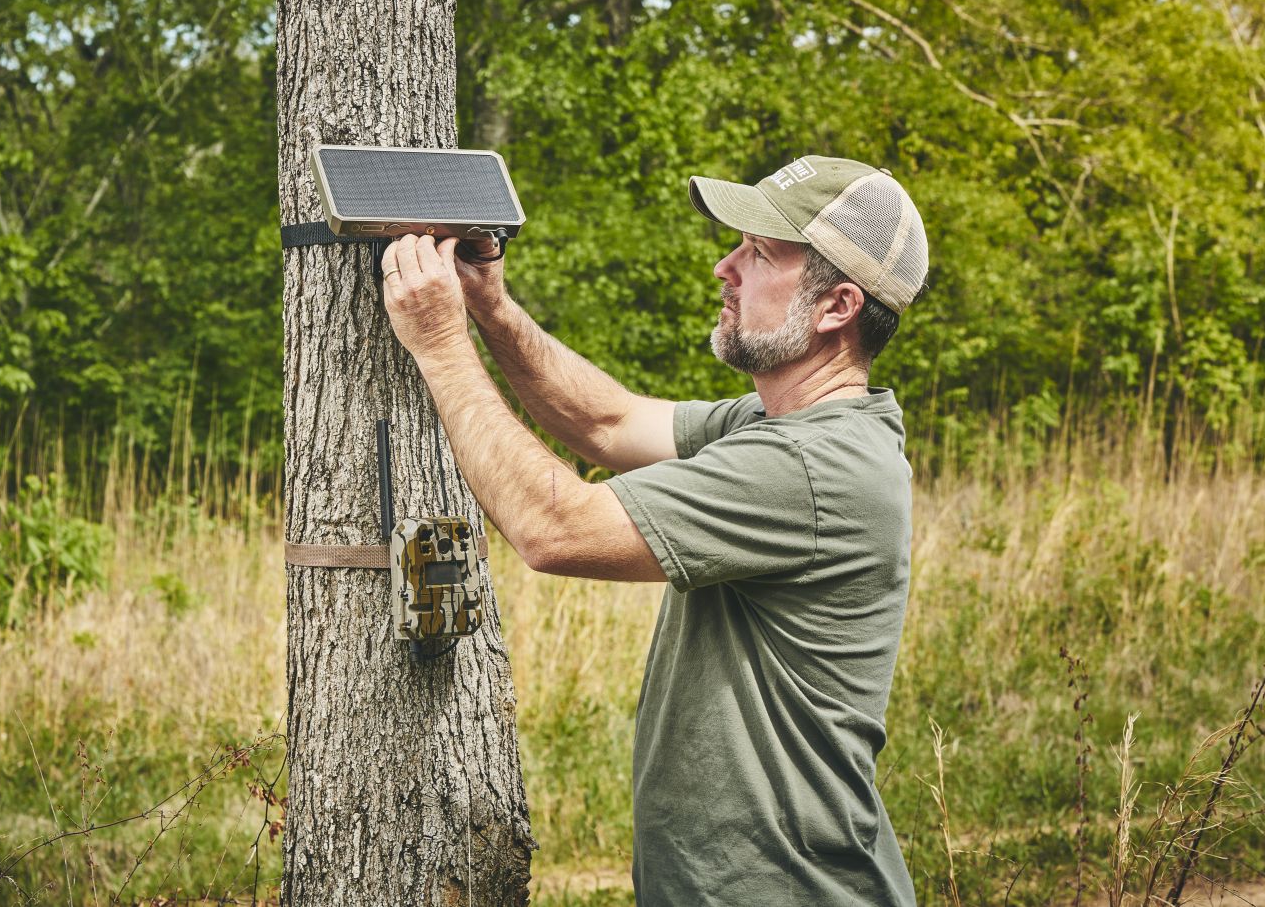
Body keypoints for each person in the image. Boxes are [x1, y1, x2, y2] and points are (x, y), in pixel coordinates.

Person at [379, 154, 928, 906]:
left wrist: (441, 344)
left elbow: (553, 528)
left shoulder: (811, 465)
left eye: (760, 253)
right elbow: (607, 420)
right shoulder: (780, 425)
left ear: (836, 306)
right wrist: (492, 311)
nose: (723, 267)